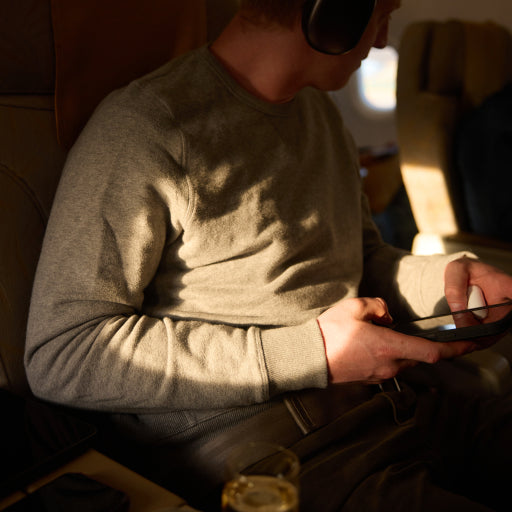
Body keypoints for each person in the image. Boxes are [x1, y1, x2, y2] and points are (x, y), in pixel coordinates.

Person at [25, 0, 512, 510]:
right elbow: (63, 353)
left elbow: (361, 258)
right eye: (380, 16)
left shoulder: (318, 112)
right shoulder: (148, 128)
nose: (384, 40)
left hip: (394, 405)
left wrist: (447, 280)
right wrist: (313, 353)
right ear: (331, 15)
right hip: (275, 452)